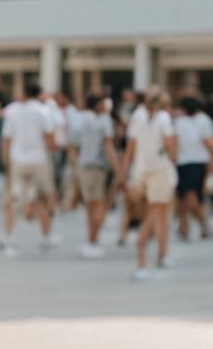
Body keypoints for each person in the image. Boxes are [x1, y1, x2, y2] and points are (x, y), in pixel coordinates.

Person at [119, 85, 178, 280]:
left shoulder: (137, 117)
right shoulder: (163, 119)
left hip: (141, 173)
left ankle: (162, 254)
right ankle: (142, 259)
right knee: (156, 215)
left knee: (156, 216)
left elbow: (130, 149)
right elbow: (170, 146)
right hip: (160, 172)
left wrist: (123, 173)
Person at [0, 84, 58, 255]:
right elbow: (49, 137)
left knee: (13, 199)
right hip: (39, 158)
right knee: (42, 198)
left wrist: (5, 160)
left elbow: (7, 138)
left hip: (18, 159)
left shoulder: (11, 111)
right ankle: (45, 235)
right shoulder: (43, 111)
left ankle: (10, 237)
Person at [71, 94, 118, 258]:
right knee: (99, 205)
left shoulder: (80, 119)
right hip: (98, 167)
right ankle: (93, 240)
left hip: (83, 166)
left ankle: (90, 240)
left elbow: (73, 143)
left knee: (89, 206)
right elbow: (108, 146)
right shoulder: (104, 121)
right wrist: (118, 169)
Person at [173, 96, 212, 241]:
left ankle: (202, 223)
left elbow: (208, 142)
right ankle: (184, 228)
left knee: (192, 197)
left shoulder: (202, 120)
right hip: (182, 163)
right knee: (181, 198)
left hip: (197, 162)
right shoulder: (179, 122)